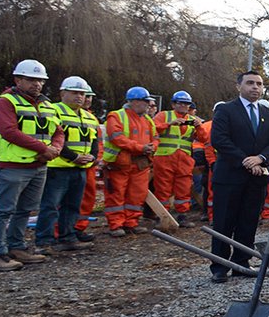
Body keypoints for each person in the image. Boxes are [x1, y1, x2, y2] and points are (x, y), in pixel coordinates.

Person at [0, 59, 63, 271]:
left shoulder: (46, 104)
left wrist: (54, 148)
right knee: (4, 211)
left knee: (25, 210)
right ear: (17, 79)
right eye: (31, 79)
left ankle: (16, 247)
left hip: (37, 166)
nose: (36, 84)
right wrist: (43, 149)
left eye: (40, 80)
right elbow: (9, 131)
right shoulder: (5, 102)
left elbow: (58, 131)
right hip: (13, 166)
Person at [208, 71, 269, 283]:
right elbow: (219, 140)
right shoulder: (225, 110)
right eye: (250, 83)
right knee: (224, 222)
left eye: (259, 84)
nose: (255, 88)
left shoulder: (268, 114)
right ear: (238, 86)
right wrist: (245, 161)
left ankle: (242, 263)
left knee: (248, 221)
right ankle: (219, 266)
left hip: (257, 178)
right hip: (230, 177)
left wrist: (260, 158)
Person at [36, 76, 99, 253]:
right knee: (50, 205)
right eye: (74, 93)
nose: (79, 97)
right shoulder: (53, 110)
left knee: (72, 205)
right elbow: (52, 138)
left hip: (79, 168)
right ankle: (44, 241)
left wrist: (92, 157)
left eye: (82, 93)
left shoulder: (88, 117)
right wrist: (74, 157)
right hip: (58, 167)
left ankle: (68, 237)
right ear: (63, 93)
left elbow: (93, 142)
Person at [102, 86, 159, 237]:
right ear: (134, 101)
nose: (148, 105)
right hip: (119, 164)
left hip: (140, 164)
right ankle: (116, 225)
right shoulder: (116, 116)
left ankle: (131, 223)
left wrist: (152, 147)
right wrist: (141, 148)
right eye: (145, 101)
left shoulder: (147, 120)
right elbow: (116, 138)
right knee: (116, 194)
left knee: (136, 195)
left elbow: (156, 138)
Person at [152, 90, 203, 226]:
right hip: (164, 158)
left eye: (186, 104)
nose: (183, 106)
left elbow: (203, 138)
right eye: (180, 103)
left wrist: (199, 128)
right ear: (174, 104)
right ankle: (162, 216)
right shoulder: (164, 115)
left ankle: (182, 216)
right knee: (163, 188)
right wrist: (169, 124)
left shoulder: (192, 120)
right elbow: (152, 129)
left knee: (184, 188)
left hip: (184, 160)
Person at [74, 87, 101, 242]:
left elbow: (96, 141)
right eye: (86, 96)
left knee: (87, 198)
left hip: (89, 164)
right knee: (67, 200)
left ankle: (79, 228)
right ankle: (59, 232)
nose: (87, 99)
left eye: (89, 96)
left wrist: (96, 157)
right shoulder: (61, 112)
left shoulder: (90, 117)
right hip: (67, 164)